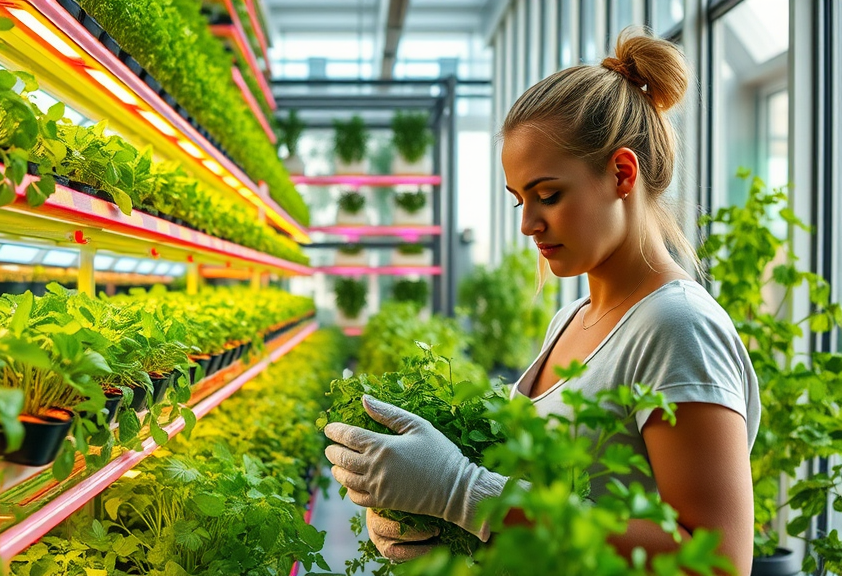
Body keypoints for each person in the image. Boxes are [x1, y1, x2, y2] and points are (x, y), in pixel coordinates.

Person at [323, 27, 760, 575]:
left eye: (548, 195)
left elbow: (719, 562)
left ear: (622, 173)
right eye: (519, 201)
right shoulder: (571, 319)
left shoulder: (676, 326)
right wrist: (447, 523)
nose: (528, 223)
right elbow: (547, 513)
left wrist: (467, 493)